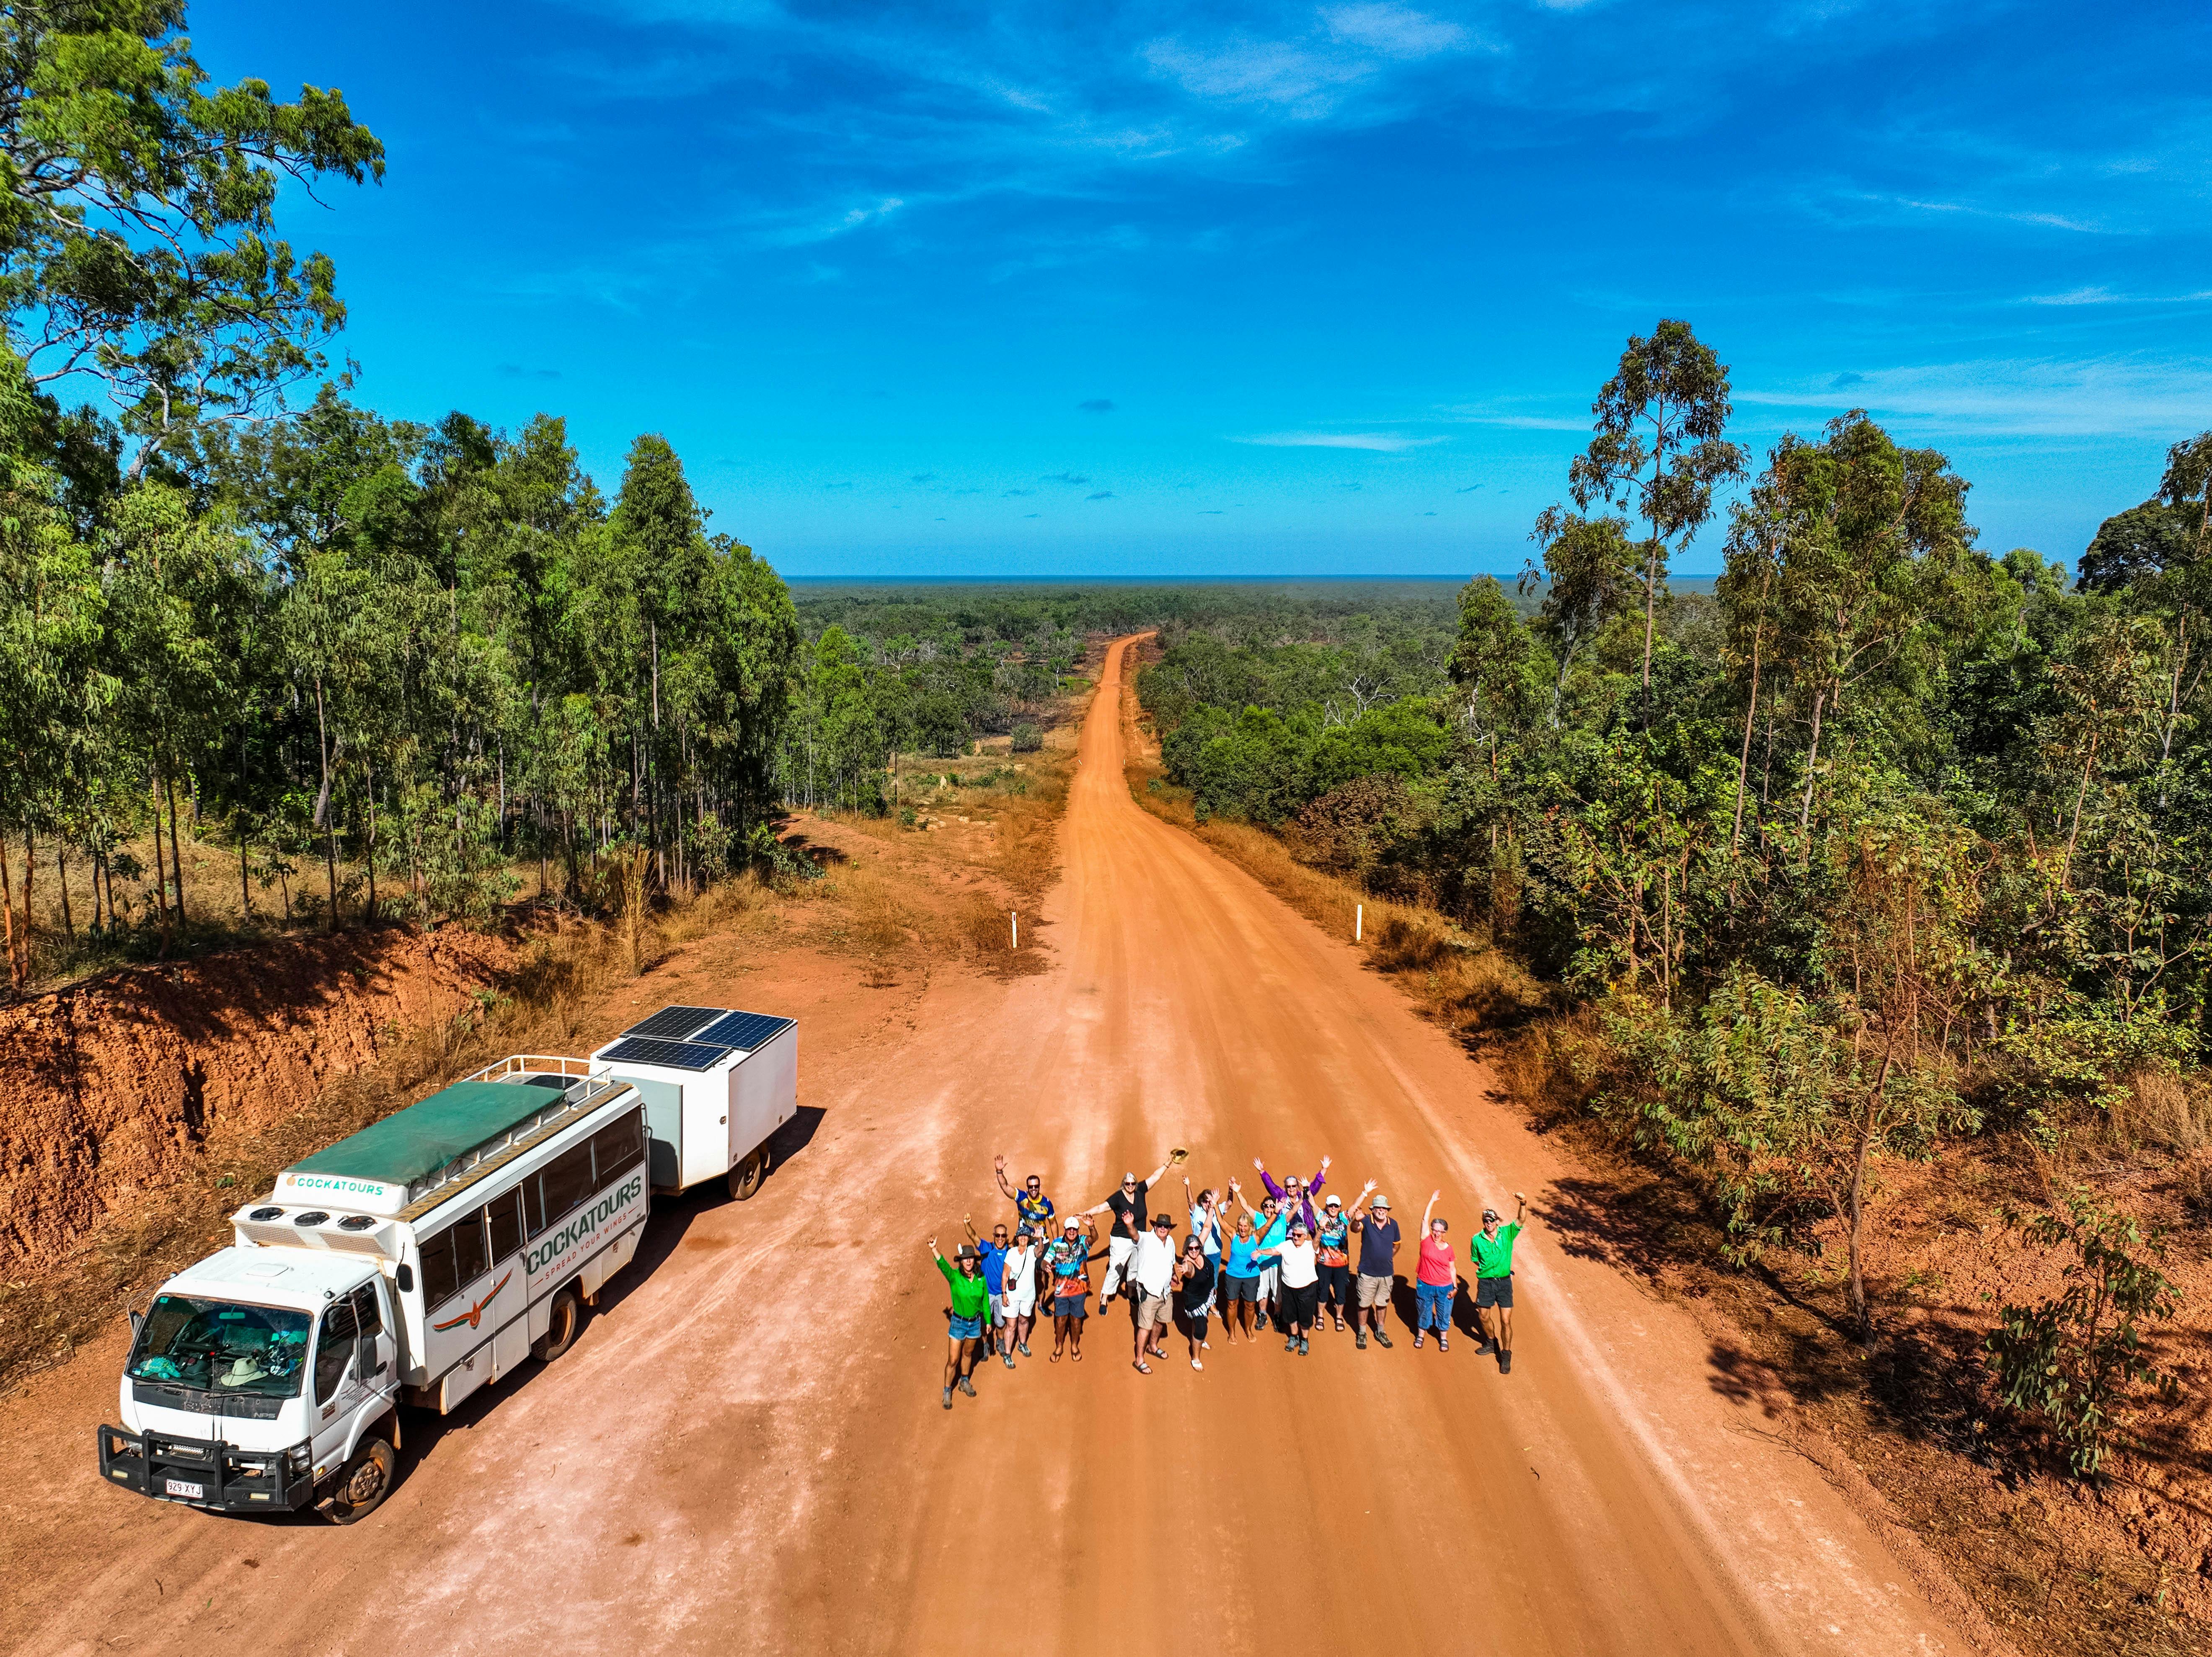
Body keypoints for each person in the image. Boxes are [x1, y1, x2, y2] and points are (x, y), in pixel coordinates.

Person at [1085, 1156, 1172, 1301]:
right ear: (1124, 1184)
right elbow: (1102, 1207)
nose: (1130, 1186)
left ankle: (1131, 1292)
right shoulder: (1118, 1197)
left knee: (1136, 1266)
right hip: (1121, 1239)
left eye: (1133, 1183)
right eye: (1127, 1184)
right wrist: (1086, 1213)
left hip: (1139, 1237)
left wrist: (1168, 1163)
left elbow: (1155, 1177)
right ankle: (1105, 1296)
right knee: (1115, 1269)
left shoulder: (1141, 1190)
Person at [1470, 1192, 1530, 1373]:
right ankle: (1491, 1342)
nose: (1488, 1223)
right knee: (1484, 1317)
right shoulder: (1476, 1240)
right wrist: (1488, 1270)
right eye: (1486, 1220)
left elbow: (1521, 1219)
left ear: (1497, 1221)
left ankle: (1506, 1354)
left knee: (1505, 1320)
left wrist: (1523, 1203)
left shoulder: (1507, 1233)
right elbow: (1475, 1259)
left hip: (1504, 1284)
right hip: (1486, 1283)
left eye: (1491, 1220)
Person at [929, 1237, 990, 1409]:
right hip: (958, 1323)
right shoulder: (955, 1277)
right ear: (961, 1261)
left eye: (971, 1258)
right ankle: (947, 1391)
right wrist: (935, 1248)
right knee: (953, 1360)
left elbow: (985, 1301)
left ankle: (964, 1382)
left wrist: (988, 1321)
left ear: (974, 1260)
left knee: (968, 1354)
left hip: (975, 1324)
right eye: (965, 1259)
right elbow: (943, 1265)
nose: (969, 1261)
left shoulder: (981, 1278)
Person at [1346, 1184, 1399, 1349]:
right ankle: (1362, 1332)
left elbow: (1397, 1245)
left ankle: (1380, 1330)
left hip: (1386, 1273)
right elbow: (1355, 1229)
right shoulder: (1366, 1220)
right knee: (1364, 1304)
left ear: (1387, 1210)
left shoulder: (1394, 1225)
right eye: (1378, 1208)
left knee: (1382, 1303)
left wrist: (1388, 1257)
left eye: (1384, 1208)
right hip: (1367, 1273)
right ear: (1373, 1209)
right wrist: (1357, 1219)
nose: (1381, 1211)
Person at [1129, 1211, 1180, 1373]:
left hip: (1165, 1292)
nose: (1163, 1229)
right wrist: (1130, 1224)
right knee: (1145, 1326)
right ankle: (1139, 1359)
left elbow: (1171, 1261)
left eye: (1166, 1226)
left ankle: (1153, 1346)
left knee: (1160, 1321)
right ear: (1155, 1226)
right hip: (1149, 1291)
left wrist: (1173, 1275)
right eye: (1160, 1226)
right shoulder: (1146, 1239)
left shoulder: (1171, 1242)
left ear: (1170, 1229)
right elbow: (1135, 1235)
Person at [1043, 1214, 1097, 1362]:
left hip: (1079, 1290)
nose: (1072, 1232)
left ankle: (1074, 1345)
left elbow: (1095, 1238)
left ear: (1078, 1230)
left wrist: (1091, 1226)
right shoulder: (1056, 1244)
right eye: (1069, 1229)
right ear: (1065, 1230)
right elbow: (1046, 1260)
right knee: (1060, 1320)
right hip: (1061, 1290)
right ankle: (1059, 1346)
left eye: (1075, 1229)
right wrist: (1045, 1265)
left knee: (1076, 1319)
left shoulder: (1084, 1242)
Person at [961, 1214, 1012, 1360]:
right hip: (986, 1294)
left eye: (1003, 1236)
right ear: (994, 1236)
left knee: (1001, 1322)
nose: (1000, 1238)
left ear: (1006, 1237)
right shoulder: (986, 1248)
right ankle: (985, 1345)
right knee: (984, 1322)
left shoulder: (1010, 1252)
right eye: (997, 1235)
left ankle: (1000, 1341)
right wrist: (967, 1224)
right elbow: (973, 1235)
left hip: (1002, 1293)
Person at [1268, 1218, 1321, 1355]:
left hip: (1307, 1289)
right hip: (1288, 1287)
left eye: (1299, 1235)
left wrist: (1320, 1229)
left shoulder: (1310, 1246)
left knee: (1305, 1316)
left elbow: (1316, 1241)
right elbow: (1274, 1251)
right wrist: (1260, 1252)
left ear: (1305, 1236)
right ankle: (1294, 1338)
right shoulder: (1287, 1245)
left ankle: (1305, 1340)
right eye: (1294, 1234)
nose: (1296, 1237)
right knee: (1290, 1315)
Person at [1414, 1192, 1456, 1351]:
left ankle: (1443, 1338)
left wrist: (1455, 1287)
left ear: (1445, 1233)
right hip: (1425, 1285)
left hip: (1445, 1286)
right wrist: (1431, 1201)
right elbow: (1425, 1220)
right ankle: (1421, 1335)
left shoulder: (1449, 1249)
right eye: (1435, 1230)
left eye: (1441, 1231)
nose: (1437, 1233)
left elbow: (1452, 1268)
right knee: (1424, 1310)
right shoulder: (1426, 1240)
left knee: (1444, 1312)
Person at [1173, 1234, 1217, 1371]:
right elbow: (1190, 1271)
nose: (1194, 1251)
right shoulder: (1188, 1262)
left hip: (1206, 1295)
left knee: (1202, 1319)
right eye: (1191, 1249)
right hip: (1195, 1300)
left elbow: (1206, 1228)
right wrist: (1186, 1269)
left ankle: (1199, 1341)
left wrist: (1211, 1212)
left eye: (1197, 1248)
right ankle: (1196, 1357)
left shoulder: (1199, 1251)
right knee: (1201, 1328)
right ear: (1186, 1249)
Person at [1254, 1155, 1330, 1232]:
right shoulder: (1281, 1196)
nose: (1291, 1188)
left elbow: (1315, 1186)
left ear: (1297, 1187)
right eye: (1289, 1186)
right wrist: (1262, 1171)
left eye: (1294, 1186)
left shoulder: (1303, 1196)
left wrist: (1324, 1169)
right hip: (1285, 1235)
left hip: (1302, 1235)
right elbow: (1271, 1185)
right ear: (1286, 1187)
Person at [1219, 1212, 1262, 1343]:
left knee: (1250, 1305)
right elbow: (1221, 1222)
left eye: (1245, 1226)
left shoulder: (1256, 1237)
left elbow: (1268, 1226)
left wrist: (1276, 1212)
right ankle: (1232, 1332)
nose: (1243, 1228)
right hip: (1233, 1276)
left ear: (1250, 1227)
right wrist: (1215, 1205)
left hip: (1251, 1276)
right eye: (1240, 1225)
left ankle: (1248, 1329)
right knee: (1232, 1304)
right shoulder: (1233, 1235)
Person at [999, 1226, 1040, 1361]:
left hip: (1028, 1296)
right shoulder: (1011, 1253)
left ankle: (1022, 1344)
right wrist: (1004, 1294)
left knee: (1024, 1321)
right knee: (1011, 1326)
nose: (1023, 1238)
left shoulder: (1031, 1251)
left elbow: (1040, 1252)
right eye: (1021, 1236)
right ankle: (1007, 1354)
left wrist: (1039, 1238)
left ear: (1029, 1239)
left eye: (1026, 1236)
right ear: (1017, 1238)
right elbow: (1005, 1274)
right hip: (1012, 1296)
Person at [1314, 1192, 1353, 1332]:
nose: (1333, 1208)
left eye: (1336, 1206)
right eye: (1331, 1205)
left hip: (1341, 1264)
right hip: (1323, 1263)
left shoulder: (1344, 1218)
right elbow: (1313, 1204)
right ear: (1327, 1206)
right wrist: (1307, 1189)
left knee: (1340, 1292)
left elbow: (1355, 1207)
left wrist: (1365, 1193)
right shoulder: (1321, 1217)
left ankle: (1339, 1317)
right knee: (1322, 1290)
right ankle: (1320, 1316)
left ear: (1340, 1207)